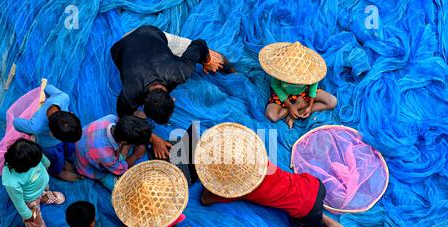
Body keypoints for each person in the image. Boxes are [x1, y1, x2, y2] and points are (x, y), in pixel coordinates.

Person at [196, 123, 387, 227]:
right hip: (313, 185)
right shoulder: (262, 162)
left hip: (304, 208)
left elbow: (205, 200)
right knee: (305, 203)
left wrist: (215, 185)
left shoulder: (239, 190)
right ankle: (333, 224)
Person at [110, 25, 234, 158]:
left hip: (150, 34)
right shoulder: (131, 92)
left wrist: (207, 61)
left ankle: (233, 72)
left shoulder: (179, 71)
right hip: (124, 44)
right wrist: (153, 138)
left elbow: (200, 44)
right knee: (131, 116)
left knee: (217, 60)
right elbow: (125, 118)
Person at [2, 138, 65, 227]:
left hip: (41, 186)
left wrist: (46, 163)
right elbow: (18, 201)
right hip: (30, 199)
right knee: (35, 219)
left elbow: (42, 158)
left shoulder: (31, 153)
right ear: (25, 167)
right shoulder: (11, 180)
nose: (39, 161)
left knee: (41, 193)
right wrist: (27, 215)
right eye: (36, 163)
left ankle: (43, 197)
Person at [259, 41, 337, 128]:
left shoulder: (308, 69)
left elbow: (313, 85)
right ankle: (297, 107)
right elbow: (276, 86)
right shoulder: (279, 69)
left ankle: (298, 111)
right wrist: (289, 106)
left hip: (304, 93)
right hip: (284, 95)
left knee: (332, 101)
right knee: (272, 116)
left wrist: (310, 106)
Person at [13, 84, 83, 181]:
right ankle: (58, 172)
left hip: (61, 137)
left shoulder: (63, 98)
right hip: (49, 146)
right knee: (56, 161)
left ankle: (64, 160)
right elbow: (16, 122)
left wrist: (48, 99)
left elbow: (47, 87)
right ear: (52, 134)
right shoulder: (36, 126)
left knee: (68, 149)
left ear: (71, 114)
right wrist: (30, 131)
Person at [74, 115, 152, 191]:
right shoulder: (104, 153)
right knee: (122, 189)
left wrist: (125, 149)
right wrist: (135, 156)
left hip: (90, 144)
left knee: (125, 152)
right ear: (124, 142)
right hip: (89, 166)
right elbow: (119, 170)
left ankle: (123, 152)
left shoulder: (112, 118)